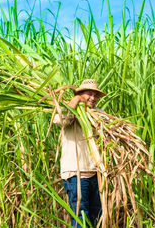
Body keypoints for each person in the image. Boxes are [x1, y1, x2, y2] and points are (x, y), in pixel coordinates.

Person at [53, 79, 106, 228]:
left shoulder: (98, 114)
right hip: (76, 174)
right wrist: (76, 100)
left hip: (96, 173)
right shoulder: (69, 110)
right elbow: (61, 120)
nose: (93, 98)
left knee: (97, 218)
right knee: (81, 218)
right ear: (80, 95)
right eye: (89, 94)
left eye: (95, 95)